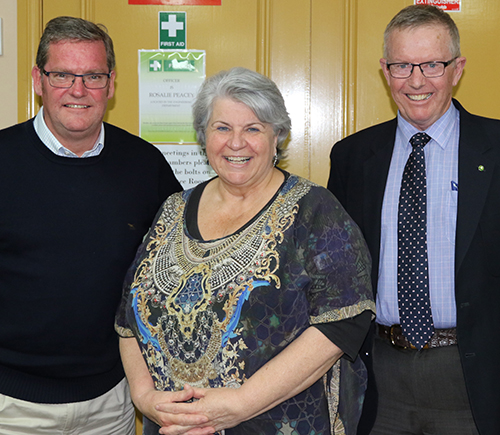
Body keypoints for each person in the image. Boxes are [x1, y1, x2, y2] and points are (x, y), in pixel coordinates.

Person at [115, 66, 375, 435]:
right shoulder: (173, 210)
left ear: (278, 137)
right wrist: (143, 397)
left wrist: (241, 404)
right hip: (174, 427)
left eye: (253, 128)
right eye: (222, 128)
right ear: (203, 136)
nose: (236, 143)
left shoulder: (314, 210)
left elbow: (344, 320)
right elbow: (129, 315)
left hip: (275, 423)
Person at [0, 16, 182, 435]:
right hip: (13, 406)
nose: (78, 90)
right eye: (62, 74)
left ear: (111, 83)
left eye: (93, 76)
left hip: (112, 404)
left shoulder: (145, 164)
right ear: (38, 80)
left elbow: (179, 264)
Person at [328, 5, 500, 435]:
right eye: (403, 65)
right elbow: (334, 274)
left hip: (476, 380)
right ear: (385, 71)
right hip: (379, 382)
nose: (417, 80)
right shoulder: (351, 157)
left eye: (433, 65)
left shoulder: (496, 149)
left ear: (457, 69)